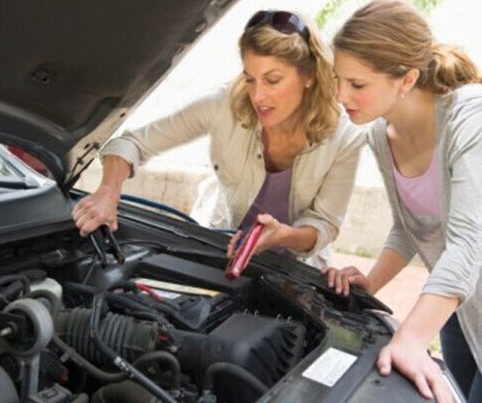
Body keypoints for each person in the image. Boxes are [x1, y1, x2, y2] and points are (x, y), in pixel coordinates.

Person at [73, 10, 364, 268]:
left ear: (309, 76)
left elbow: (324, 223)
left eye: (272, 80)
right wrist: (108, 192)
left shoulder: (345, 137)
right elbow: (132, 142)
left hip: (298, 268)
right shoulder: (225, 104)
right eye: (251, 78)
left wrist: (283, 236)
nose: (258, 95)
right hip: (220, 247)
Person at [322, 1, 482, 402]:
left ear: (407, 79)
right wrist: (369, 286)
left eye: (357, 85)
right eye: (339, 80)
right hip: (458, 310)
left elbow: (467, 243)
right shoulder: (380, 133)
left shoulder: (470, 120)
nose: (342, 95)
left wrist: (410, 339)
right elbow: (410, 228)